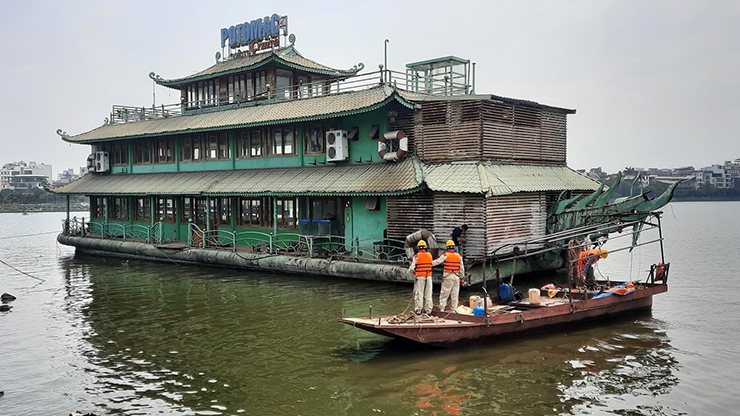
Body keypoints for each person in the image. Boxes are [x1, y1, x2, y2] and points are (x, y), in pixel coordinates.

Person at [432, 240, 465, 312]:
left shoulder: (445, 255)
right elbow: (461, 268)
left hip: (448, 277)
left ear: (447, 248)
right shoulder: (459, 256)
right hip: (456, 277)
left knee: (444, 293)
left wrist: (428, 263)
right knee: (455, 295)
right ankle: (453, 310)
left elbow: (437, 262)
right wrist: (461, 278)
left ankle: (442, 309)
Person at [408, 239, 434, 315]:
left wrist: (414, 273)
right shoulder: (429, 255)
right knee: (428, 294)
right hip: (428, 277)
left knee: (419, 294)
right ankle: (428, 310)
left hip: (420, 277)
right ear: (425, 247)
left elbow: (411, 268)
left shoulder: (416, 256)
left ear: (418, 248)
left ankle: (419, 310)